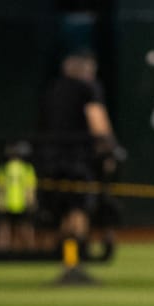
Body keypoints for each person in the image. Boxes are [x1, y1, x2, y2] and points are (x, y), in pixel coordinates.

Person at [37, 50, 115, 244]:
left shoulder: (52, 89)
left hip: (51, 158)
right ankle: (76, 260)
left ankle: (65, 258)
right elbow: (97, 120)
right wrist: (109, 150)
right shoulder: (88, 87)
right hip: (78, 158)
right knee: (79, 207)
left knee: (61, 208)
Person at [0, 140, 39, 251]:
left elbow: (2, 189)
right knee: (12, 228)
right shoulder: (23, 168)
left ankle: (9, 250)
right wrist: (31, 201)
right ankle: (28, 251)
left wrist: (0, 201)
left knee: (16, 227)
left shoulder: (22, 168)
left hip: (16, 202)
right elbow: (2, 187)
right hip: (14, 202)